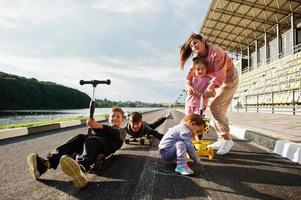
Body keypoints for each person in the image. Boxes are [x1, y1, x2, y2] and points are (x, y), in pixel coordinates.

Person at [27, 107, 127, 188]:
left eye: (118, 116)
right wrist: (93, 125)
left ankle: (81, 168)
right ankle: (45, 164)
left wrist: (100, 126)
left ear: (122, 120)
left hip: (105, 148)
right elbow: (102, 130)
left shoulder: (122, 131)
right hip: (95, 145)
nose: (115, 118)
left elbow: (112, 132)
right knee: (80, 137)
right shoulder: (105, 129)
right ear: (109, 119)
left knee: (90, 139)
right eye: (113, 116)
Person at [180, 33, 239, 155]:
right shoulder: (198, 59)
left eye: (195, 42)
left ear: (203, 40)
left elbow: (220, 75)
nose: (194, 46)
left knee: (215, 107)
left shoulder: (216, 52)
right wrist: (188, 86)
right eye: (191, 45)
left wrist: (211, 87)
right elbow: (189, 76)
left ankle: (227, 140)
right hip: (216, 82)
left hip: (228, 78)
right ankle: (222, 138)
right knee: (214, 109)